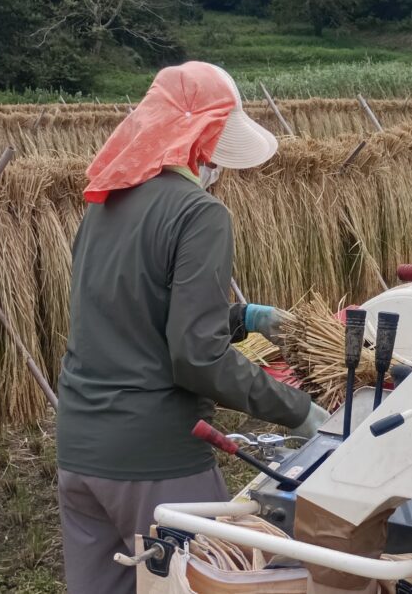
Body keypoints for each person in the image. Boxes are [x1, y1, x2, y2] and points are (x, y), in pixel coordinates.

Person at [56, 61, 329, 594]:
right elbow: (195, 357)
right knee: (203, 580)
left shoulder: (105, 203)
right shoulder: (198, 213)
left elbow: (132, 323)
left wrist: (244, 319)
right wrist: (301, 412)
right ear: (203, 140)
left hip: (80, 451)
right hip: (153, 458)